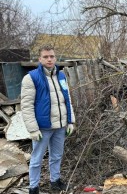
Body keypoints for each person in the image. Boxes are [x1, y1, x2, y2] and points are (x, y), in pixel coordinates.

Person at [21, 45, 76, 194]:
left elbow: (67, 99)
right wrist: (32, 129)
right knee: (37, 159)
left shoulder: (61, 76)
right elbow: (26, 106)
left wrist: (70, 121)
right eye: (45, 57)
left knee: (57, 156)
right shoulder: (31, 78)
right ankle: (34, 187)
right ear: (39, 59)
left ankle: (55, 181)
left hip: (60, 126)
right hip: (42, 128)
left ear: (55, 57)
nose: (49, 59)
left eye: (51, 56)